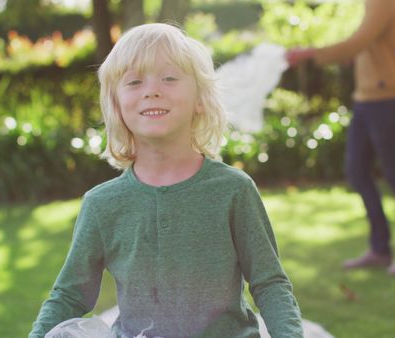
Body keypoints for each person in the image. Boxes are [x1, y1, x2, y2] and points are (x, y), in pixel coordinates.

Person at [28, 23, 303, 338]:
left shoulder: (234, 191)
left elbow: (269, 284)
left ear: (200, 99)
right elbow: (69, 296)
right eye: (134, 82)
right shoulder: (101, 205)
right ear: (116, 106)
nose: (151, 90)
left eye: (169, 78)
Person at [285, 0, 395, 274]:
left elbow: (358, 42)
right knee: (356, 170)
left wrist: (310, 53)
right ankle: (380, 249)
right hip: (366, 98)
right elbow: (365, 46)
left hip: (388, 96)